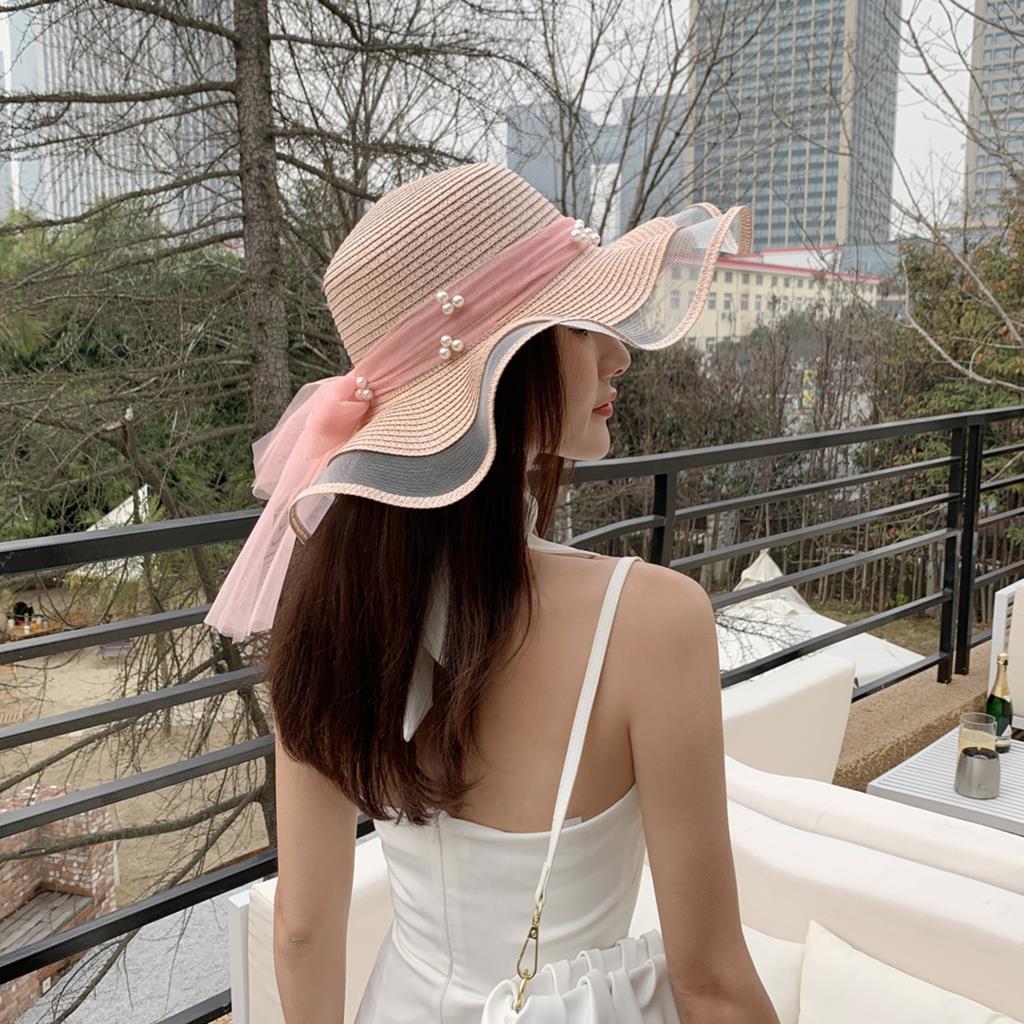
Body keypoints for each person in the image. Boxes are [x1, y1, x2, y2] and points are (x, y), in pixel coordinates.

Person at [205, 162, 778, 1022]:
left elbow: (301, 931)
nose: (618, 351)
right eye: (582, 328)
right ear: (508, 368)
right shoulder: (652, 622)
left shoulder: (328, 611)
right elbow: (711, 983)